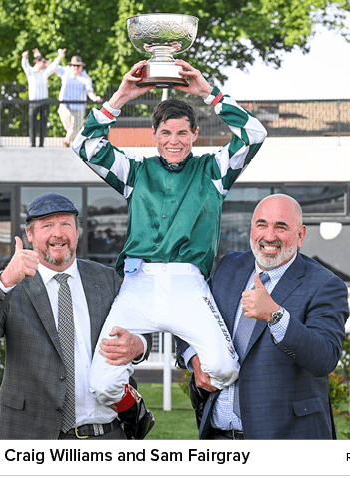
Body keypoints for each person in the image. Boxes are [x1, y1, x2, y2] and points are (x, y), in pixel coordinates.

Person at [71, 60, 267, 416]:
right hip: (137, 285)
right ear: (154, 135)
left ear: (195, 134)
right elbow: (83, 145)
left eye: (181, 133)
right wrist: (121, 96)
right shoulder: (134, 172)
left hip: (188, 285)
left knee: (224, 368)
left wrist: (209, 93)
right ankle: (136, 411)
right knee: (100, 384)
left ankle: (212, 410)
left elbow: (254, 134)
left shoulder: (214, 171)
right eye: (165, 133)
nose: (173, 141)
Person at [0, 192, 154, 440]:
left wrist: (138, 344)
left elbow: (141, 327)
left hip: (106, 434)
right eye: (47, 225)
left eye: (66, 224)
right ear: (29, 235)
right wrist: (5, 280)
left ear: (77, 231)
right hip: (31, 435)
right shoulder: (12, 284)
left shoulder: (106, 279)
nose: (58, 233)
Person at [177, 194, 349, 440]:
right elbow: (191, 314)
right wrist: (193, 358)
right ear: (252, 228)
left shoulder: (325, 285)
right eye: (262, 224)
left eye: (281, 227)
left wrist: (275, 315)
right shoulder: (229, 266)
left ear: (300, 235)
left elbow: (324, 357)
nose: (269, 236)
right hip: (217, 436)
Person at [21, 48, 65, 147]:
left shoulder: (44, 73)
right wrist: (24, 57)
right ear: (37, 61)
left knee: (43, 124)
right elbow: (25, 65)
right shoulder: (31, 72)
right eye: (43, 61)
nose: (45, 63)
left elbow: (53, 66)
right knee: (32, 124)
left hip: (44, 102)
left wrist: (59, 56)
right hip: (33, 102)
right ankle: (32, 144)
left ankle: (41, 144)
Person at [56, 54, 102, 147]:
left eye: (78, 65)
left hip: (78, 107)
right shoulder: (66, 71)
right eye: (74, 65)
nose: (76, 67)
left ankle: (67, 141)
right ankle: (72, 139)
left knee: (75, 127)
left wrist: (95, 98)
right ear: (71, 66)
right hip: (65, 106)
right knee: (69, 127)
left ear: (81, 66)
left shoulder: (86, 78)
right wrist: (58, 56)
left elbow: (89, 91)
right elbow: (52, 67)